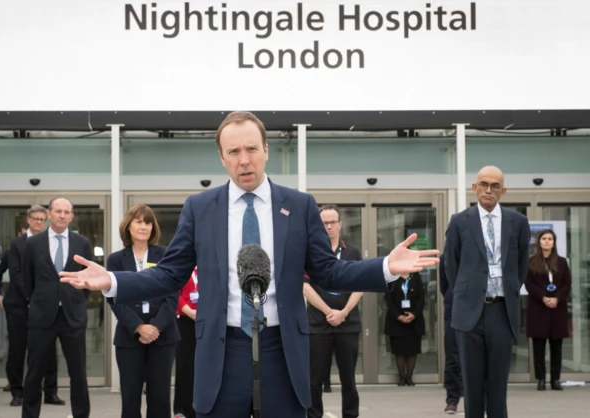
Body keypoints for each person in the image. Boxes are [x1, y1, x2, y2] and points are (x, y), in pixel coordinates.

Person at [60, 112, 440, 418]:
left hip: (282, 346)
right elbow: (169, 274)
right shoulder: (200, 208)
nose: (244, 160)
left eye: (252, 149)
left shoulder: (300, 205)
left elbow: (328, 271)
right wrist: (111, 280)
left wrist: (386, 267)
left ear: (267, 150)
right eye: (234, 152)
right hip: (222, 348)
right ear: (221, 157)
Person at [444, 166, 530, 418]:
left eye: (494, 186)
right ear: (475, 188)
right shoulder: (460, 221)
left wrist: (508, 290)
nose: (488, 190)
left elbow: (521, 265)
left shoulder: (518, 222)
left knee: (498, 385)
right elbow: (451, 266)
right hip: (470, 312)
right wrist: (467, 295)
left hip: (501, 311)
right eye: (483, 184)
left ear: (503, 191)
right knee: (470, 384)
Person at [22, 197, 92, 418]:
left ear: (71, 216)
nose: (62, 215)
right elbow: (27, 279)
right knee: (34, 373)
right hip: (42, 316)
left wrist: (74, 298)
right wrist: (41, 300)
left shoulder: (82, 243)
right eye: (58, 211)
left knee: (78, 374)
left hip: (72, 316)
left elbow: (87, 279)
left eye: (66, 212)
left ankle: (81, 415)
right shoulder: (33, 243)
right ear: (49, 214)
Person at [108, 204, 179, 418]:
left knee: (160, 398)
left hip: (163, 335)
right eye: (138, 222)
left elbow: (173, 294)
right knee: (130, 398)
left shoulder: (166, 255)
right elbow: (114, 298)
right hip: (129, 337)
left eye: (147, 222)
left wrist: (155, 326)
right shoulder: (116, 259)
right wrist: (139, 326)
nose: (143, 226)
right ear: (128, 226)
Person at [303, 205, 363, 418]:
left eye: (332, 222)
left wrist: (343, 312)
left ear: (340, 224)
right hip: (318, 324)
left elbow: (360, 285)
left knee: (349, 379)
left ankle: (350, 415)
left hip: (347, 324)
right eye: (324, 223)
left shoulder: (352, 252)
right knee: (314, 379)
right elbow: (304, 285)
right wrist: (329, 311)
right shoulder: (310, 252)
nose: (329, 227)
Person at [1, 210, 62, 407]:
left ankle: (50, 392)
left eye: (42, 219)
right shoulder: (17, 244)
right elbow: (17, 274)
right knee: (18, 349)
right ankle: (18, 392)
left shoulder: (51, 242)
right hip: (20, 305)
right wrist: (31, 296)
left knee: (49, 350)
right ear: (28, 221)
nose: (38, 222)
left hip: (45, 306)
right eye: (35, 219)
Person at [524, 229, 571, 391]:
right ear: (539, 242)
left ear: (554, 242)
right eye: (544, 238)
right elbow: (528, 284)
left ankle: (555, 379)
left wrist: (557, 298)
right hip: (539, 308)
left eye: (550, 239)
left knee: (556, 346)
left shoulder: (562, 262)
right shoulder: (531, 261)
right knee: (539, 347)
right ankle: (541, 379)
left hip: (557, 309)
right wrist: (544, 297)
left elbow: (567, 284)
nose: (547, 241)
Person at [384, 272, 425, 387]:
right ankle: (402, 378)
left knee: (412, 350)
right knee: (399, 350)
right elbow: (388, 300)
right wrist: (398, 316)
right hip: (396, 320)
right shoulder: (391, 277)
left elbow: (421, 298)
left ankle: (409, 378)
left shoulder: (415, 276)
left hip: (414, 320)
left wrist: (414, 314)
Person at [173, 267, 199, 418]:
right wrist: (187, 310)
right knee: (185, 366)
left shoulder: (208, 265)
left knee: (204, 367)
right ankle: (182, 410)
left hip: (206, 320)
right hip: (184, 320)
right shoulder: (182, 266)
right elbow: (174, 290)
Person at [439, 254, 461, 414]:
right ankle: (452, 399)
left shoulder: (479, 252)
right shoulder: (446, 258)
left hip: (477, 310)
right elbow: (443, 286)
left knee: (479, 358)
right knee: (452, 357)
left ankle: (485, 400)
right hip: (453, 310)